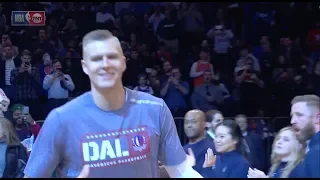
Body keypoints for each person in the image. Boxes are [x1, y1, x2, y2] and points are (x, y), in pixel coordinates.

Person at [23, 30, 203, 178]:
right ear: (85, 67)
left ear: (123, 63)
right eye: (96, 59)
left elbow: (181, 171)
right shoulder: (60, 120)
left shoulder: (155, 108)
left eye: (112, 57)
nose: (105, 64)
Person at [290, 95, 320, 178]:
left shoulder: (317, 151)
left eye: (299, 115)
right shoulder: (310, 148)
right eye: (292, 116)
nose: (292, 121)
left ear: (317, 118)